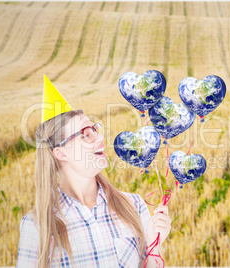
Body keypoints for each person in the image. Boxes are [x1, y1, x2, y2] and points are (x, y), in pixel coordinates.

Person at [16, 75, 172, 267]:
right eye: (85, 135)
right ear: (61, 153)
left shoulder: (134, 206)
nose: (99, 139)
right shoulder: (36, 226)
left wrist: (155, 246)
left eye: (95, 129)